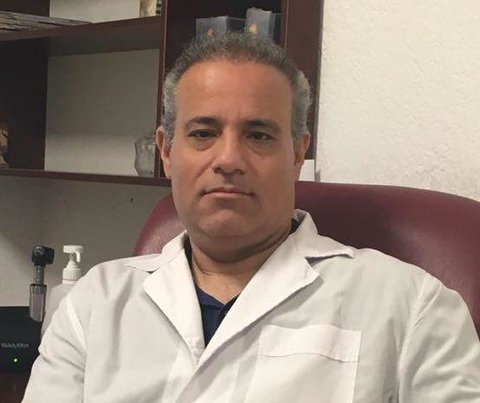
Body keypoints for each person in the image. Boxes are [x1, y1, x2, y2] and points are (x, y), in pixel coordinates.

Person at [23, 33, 480, 403]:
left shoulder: (411, 307)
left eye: (258, 135)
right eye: (203, 133)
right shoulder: (92, 305)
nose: (228, 159)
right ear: (166, 152)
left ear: (297, 153)